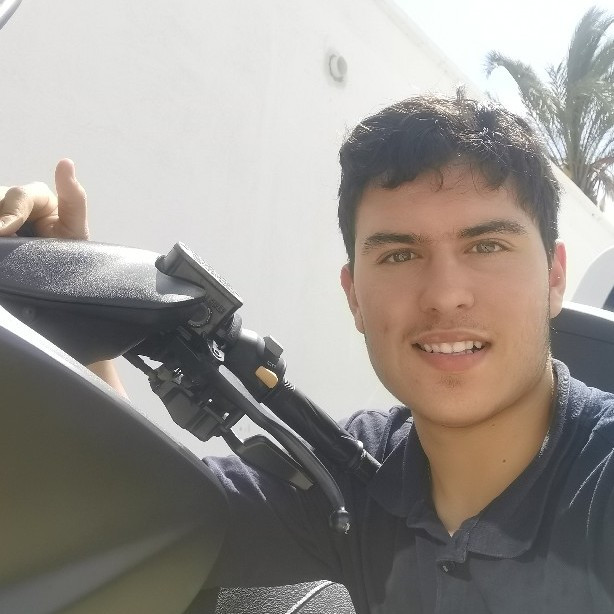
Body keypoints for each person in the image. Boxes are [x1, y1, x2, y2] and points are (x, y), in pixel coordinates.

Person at [1, 94, 613, 614]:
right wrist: (72, 304)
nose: (445, 294)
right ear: (354, 297)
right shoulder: (352, 475)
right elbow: (142, 521)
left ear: (555, 277)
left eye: (486, 246)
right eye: (399, 254)